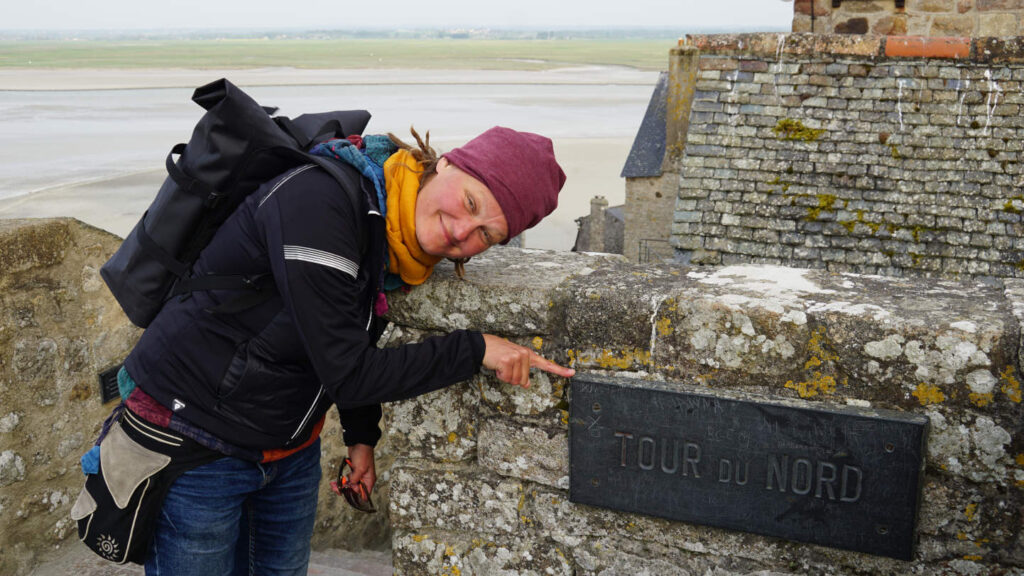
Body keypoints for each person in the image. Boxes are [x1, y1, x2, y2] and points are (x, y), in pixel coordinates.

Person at [109, 125, 573, 574]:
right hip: (194, 438)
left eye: (486, 235)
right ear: (446, 163)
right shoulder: (319, 203)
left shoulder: (394, 237)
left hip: (285, 446)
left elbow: (350, 331)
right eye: (471, 202)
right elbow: (350, 372)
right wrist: (476, 349)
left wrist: (361, 437)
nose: (462, 233)